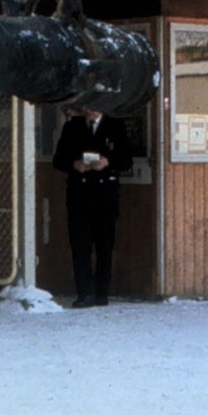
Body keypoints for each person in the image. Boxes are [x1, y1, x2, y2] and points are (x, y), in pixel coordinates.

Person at [52, 107, 133, 308]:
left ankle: (101, 293)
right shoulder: (72, 126)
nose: (91, 111)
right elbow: (58, 160)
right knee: (80, 245)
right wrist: (75, 164)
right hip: (79, 194)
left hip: (106, 194)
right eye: (88, 107)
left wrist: (108, 162)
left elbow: (126, 160)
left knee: (104, 245)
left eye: (95, 107)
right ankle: (84, 293)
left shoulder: (115, 126)